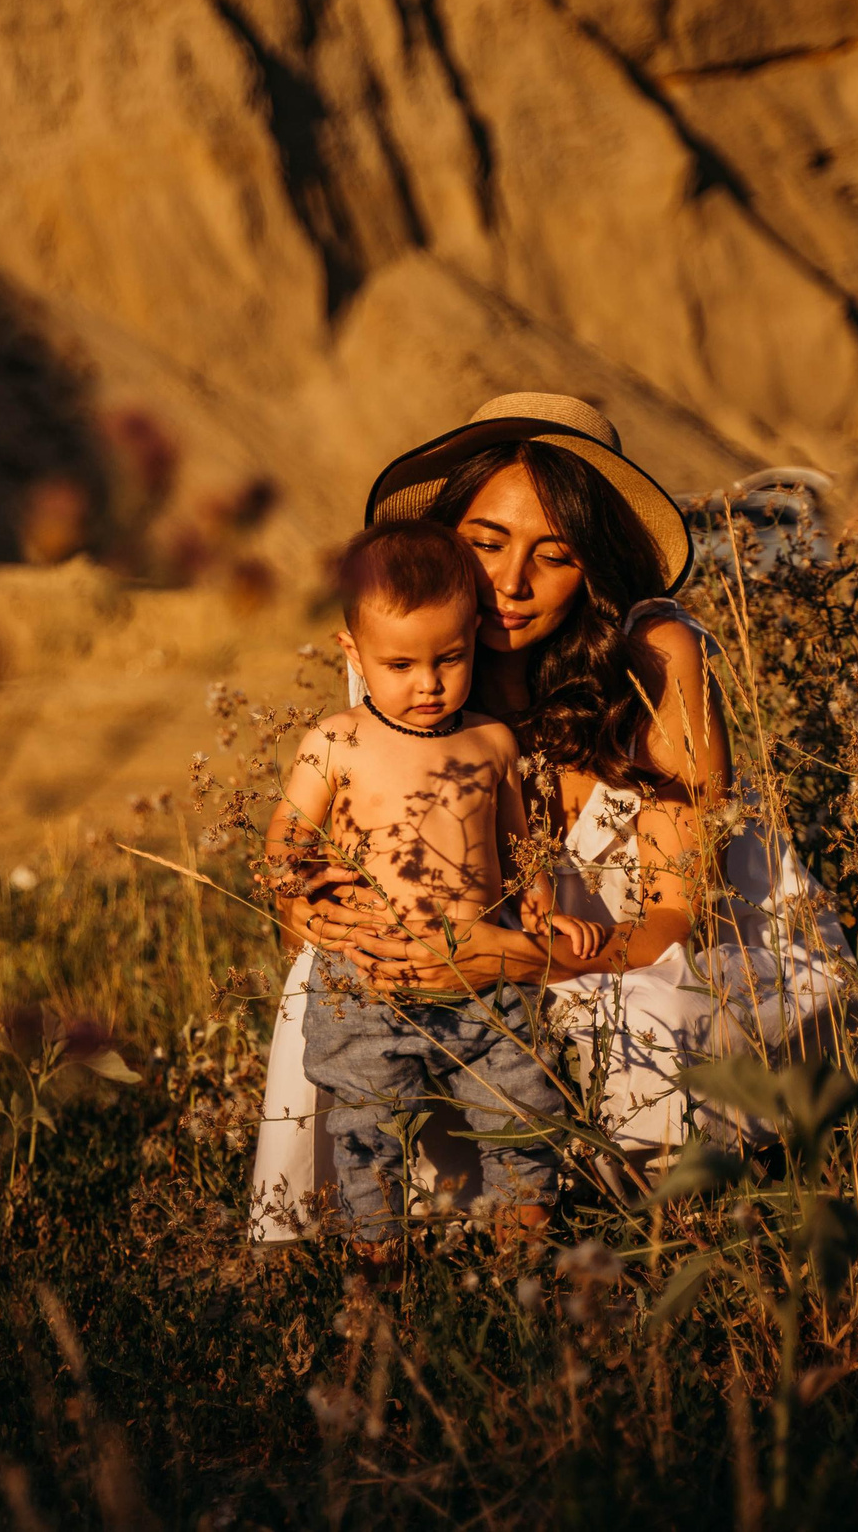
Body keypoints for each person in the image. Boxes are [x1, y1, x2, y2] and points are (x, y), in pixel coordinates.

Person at [247, 394, 843, 1243]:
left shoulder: (655, 656)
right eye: (485, 544)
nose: (509, 584)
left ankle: (649, 1218)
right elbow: (325, 860)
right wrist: (311, 911)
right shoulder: (409, 667)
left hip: (663, 960)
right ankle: (389, 1229)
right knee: (329, 986)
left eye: (553, 555)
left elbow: (681, 917)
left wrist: (522, 958)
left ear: (594, 566)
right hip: (466, 974)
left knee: (645, 1027)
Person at [262, 520, 603, 1246]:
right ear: (352, 651)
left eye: (450, 657)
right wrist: (306, 882)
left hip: (482, 972)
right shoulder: (335, 740)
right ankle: (376, 1251)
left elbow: (520, 850)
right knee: (367, 1120)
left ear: (475, 635)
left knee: (523, 1098)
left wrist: (546, 913)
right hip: (368, 980)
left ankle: (525, 1234)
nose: (429, 683)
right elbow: (283, 842)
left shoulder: (491, 741)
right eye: (400, 664)